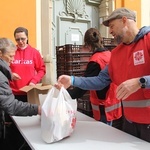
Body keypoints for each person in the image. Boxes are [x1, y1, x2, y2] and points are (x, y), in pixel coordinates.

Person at [55, 7, 150, 142]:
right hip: (129, 124)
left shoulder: (148, 40)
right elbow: (100, 81)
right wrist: (73, 80)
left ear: (124, 21)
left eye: (112, 26)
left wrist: (140, 82)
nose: (110, 31)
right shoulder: (116, 53)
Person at [67, 28, 122, 127]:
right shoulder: (110, 54)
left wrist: (65, 94)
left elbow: (85, 86)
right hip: (114, 102)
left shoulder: (95, 61)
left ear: (87, 44)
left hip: (102, 106)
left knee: (104, 134)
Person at [0, 37, 41, 149]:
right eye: (10, 56)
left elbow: (41, 69)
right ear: (0, 54)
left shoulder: (34, 52)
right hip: (13, 100)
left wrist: (9, 75)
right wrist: (38, 109)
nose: (13, 60)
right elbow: (11, 106)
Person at [9, 27, 46, 102]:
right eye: (17, 39)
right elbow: (4, 68)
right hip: (12, 92)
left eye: (23, 39)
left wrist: (34, 81)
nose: (20, 42)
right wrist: (10, 74)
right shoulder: (11, 51)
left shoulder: (34, 52)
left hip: (29, 91)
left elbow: (42, 70)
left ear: (27, 37)